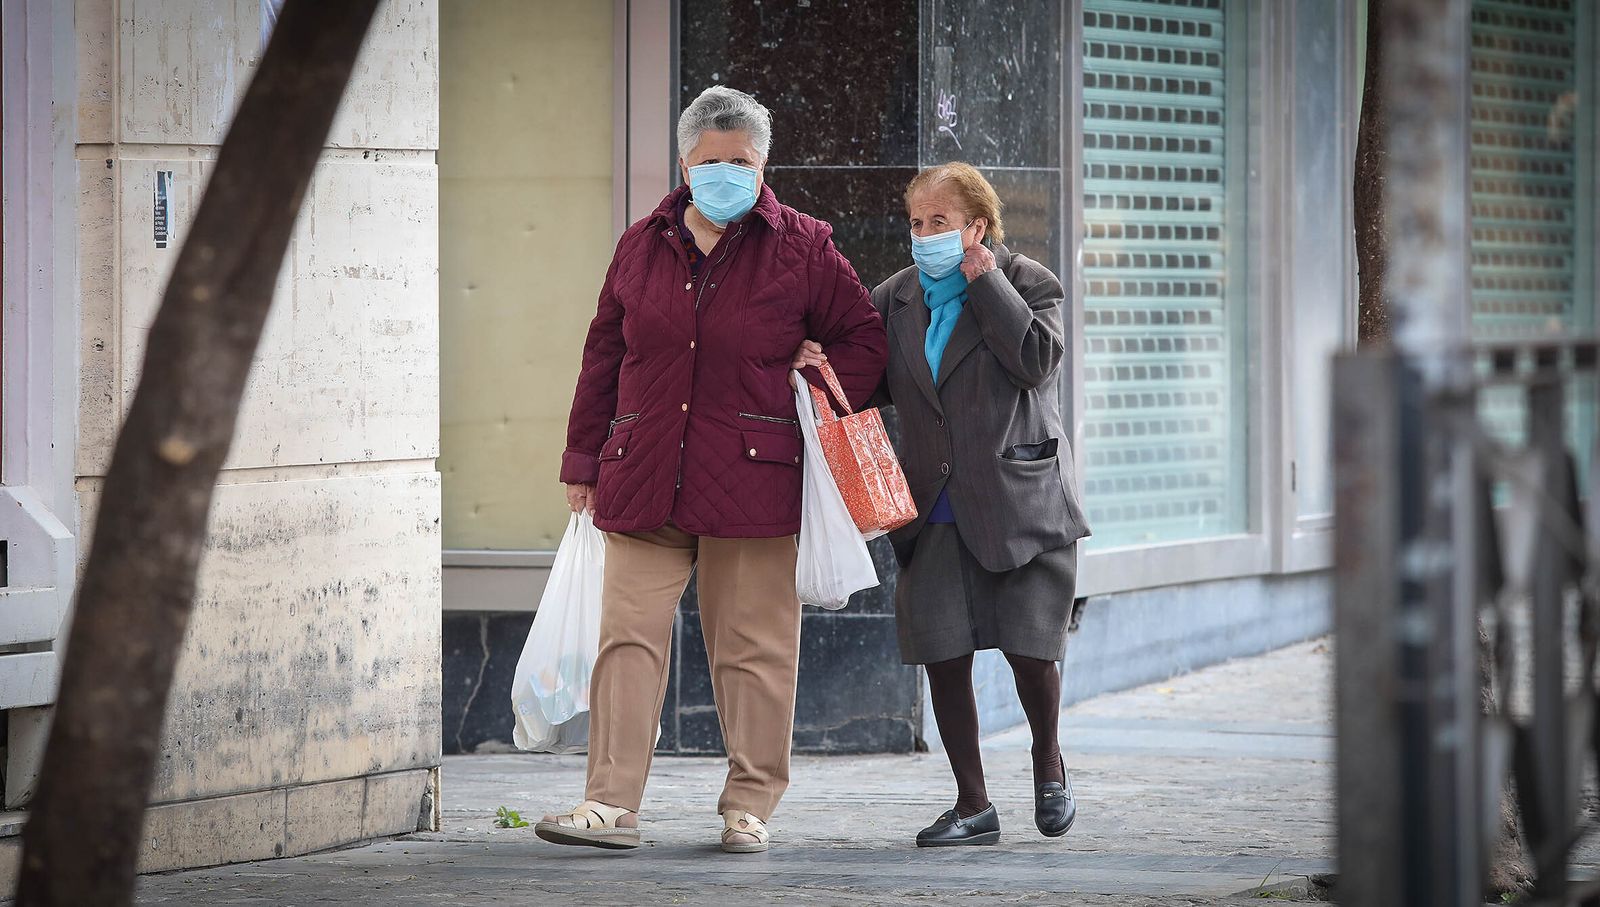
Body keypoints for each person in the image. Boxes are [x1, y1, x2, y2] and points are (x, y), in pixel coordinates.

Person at [536, 86, 887, 854]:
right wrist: (581, 460)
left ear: (764, 164)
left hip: (754, 476)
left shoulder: (803, 245)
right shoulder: (640, 244)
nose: (728, 172)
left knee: (754, 646)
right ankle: (608, 803)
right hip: (643, 469)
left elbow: (863, 339)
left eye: (744, 161)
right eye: (713, 160)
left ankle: (749, 805)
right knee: (626, 637)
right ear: (685, 162)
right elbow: (603, 358)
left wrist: (817, 374)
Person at [868, 162, 1089, 846]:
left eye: (940, 222)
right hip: (932, 501)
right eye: (916, 223)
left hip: (1015, 498)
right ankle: (972, 802)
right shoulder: (896, 298)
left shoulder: (1027, 281)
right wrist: (815, 358)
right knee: (944, 652)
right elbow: (864, 382)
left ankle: (1047, 762)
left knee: (1029, 647)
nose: (926, 235)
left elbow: (1035, 360)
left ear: (977, 225)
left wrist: (984, 280)